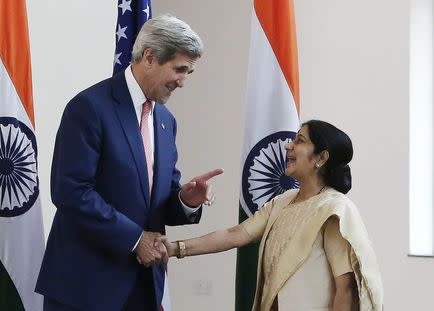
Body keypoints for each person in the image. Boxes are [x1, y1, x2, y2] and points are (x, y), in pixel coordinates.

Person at [35, 14, 223, 311]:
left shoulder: (165, 120)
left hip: (144, 288)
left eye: (189, 72)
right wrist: (135, 239)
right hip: (85, 288)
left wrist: (186, 199)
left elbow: (156, 202)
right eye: (180, 69)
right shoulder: (89, 108)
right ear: (149, 57)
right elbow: (70, 191)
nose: (183, 81)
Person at [159, 120, 383, 311]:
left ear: (321, 158)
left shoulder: (335, 209)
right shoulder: (283, 201)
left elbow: (346, 287)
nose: (289, 146)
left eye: (300, 141)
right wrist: (175, 248)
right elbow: (234, 234)